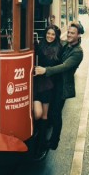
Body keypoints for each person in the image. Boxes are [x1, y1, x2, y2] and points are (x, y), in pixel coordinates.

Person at [34, 22, 84, 150]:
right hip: (54, 82)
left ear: (78, 35)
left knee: (56, 113)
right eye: (69, 32)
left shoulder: (78, 52)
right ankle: (43, 137)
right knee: (49, 112)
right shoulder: (65, 44)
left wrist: (46, 70)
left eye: (73, 33)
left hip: (63, 85)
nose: (69, 34)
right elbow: (53, 42)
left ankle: (54, 141)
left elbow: (64, 66)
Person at [33, 26, 62, 155]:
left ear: (56, 37)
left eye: (53, 34)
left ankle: (41, 144)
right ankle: (36, 138)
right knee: (37, 113)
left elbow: (54, 67)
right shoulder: (40, 45)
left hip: (48, 86)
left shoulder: (58, 49)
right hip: (37, 84)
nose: (50, 36)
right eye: (48, 33)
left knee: (43, 115)